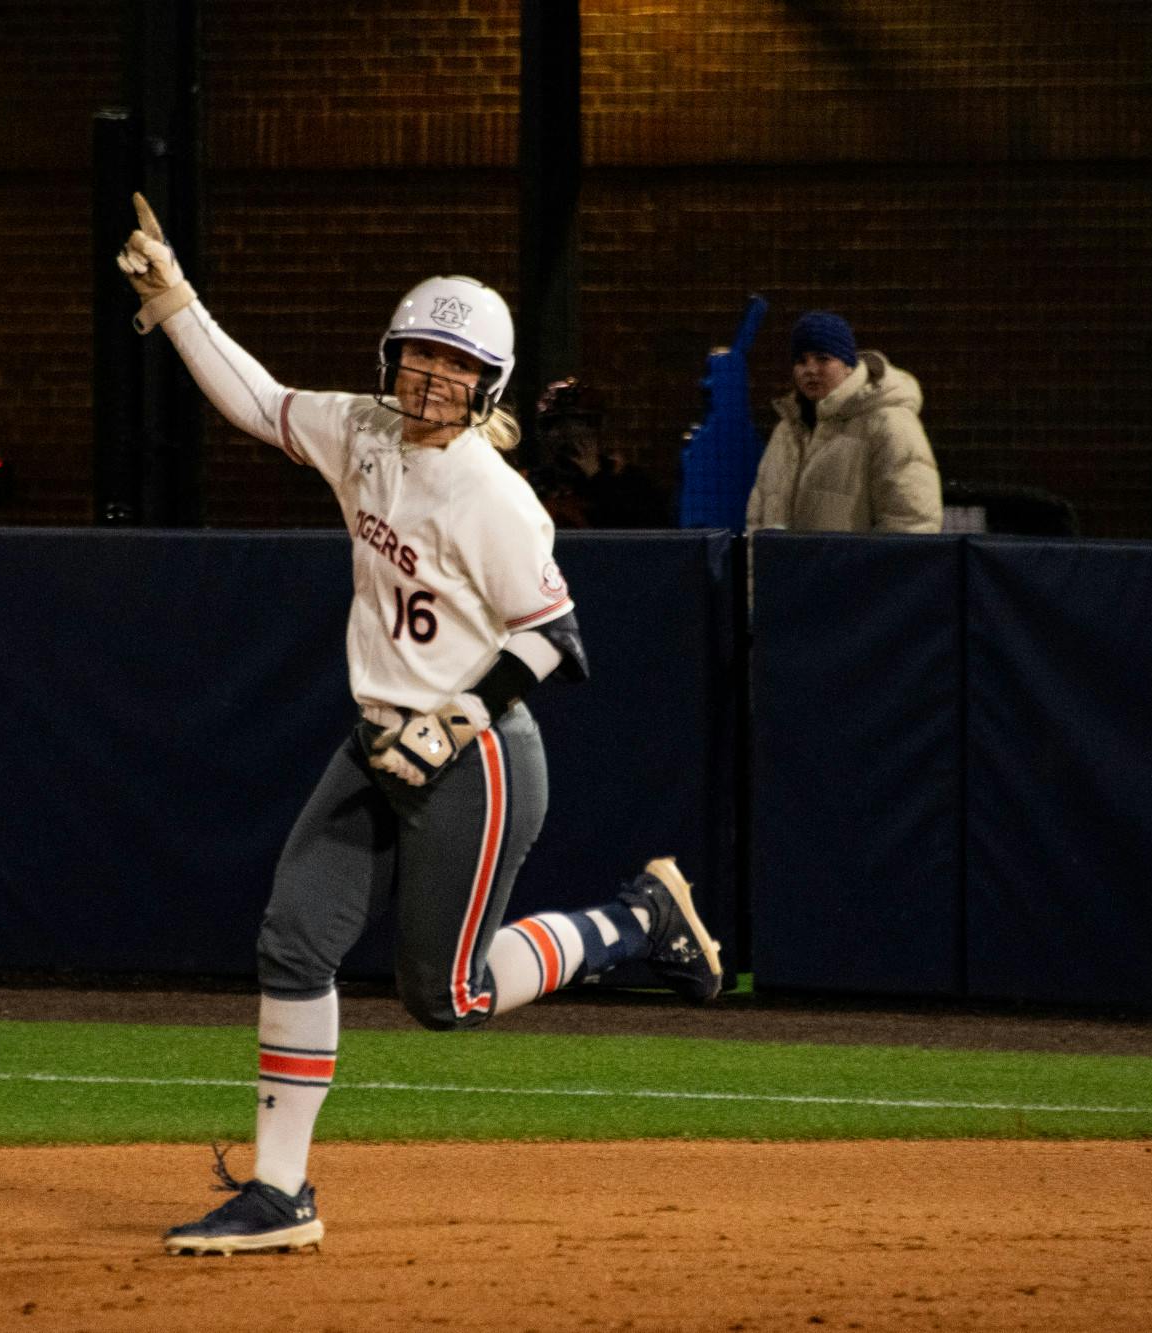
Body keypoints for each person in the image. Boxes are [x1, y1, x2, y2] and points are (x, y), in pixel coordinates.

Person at [117, 194, 724, 1256]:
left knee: (446, 995)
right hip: (374, 738)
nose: (431, 380)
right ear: (391, 356)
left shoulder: (490, 495)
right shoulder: (360, 429)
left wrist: (451, 721)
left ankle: (637, 920)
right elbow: (259, 403)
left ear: (486, 385)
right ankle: (279, 1193)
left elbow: (558, 641)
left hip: (476, 758)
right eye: (419, 356)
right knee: (292, 939)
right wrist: (175, 303)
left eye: (456, 367)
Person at [744, 310, 941, 535]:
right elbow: (758, 514)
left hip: (851, 570)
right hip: (785, 569)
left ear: (848, 365)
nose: (810, 370)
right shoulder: (787, 429)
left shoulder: (888, 423)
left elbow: (911, 522)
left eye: (823, 359)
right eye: (801, 361)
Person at [526, 377, 671, 527]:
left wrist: (597, 477)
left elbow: (643, 534)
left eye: (577, 425)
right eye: (555, 426)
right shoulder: (534, 484)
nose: (566, 435)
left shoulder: (628, 482)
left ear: (597, 429)